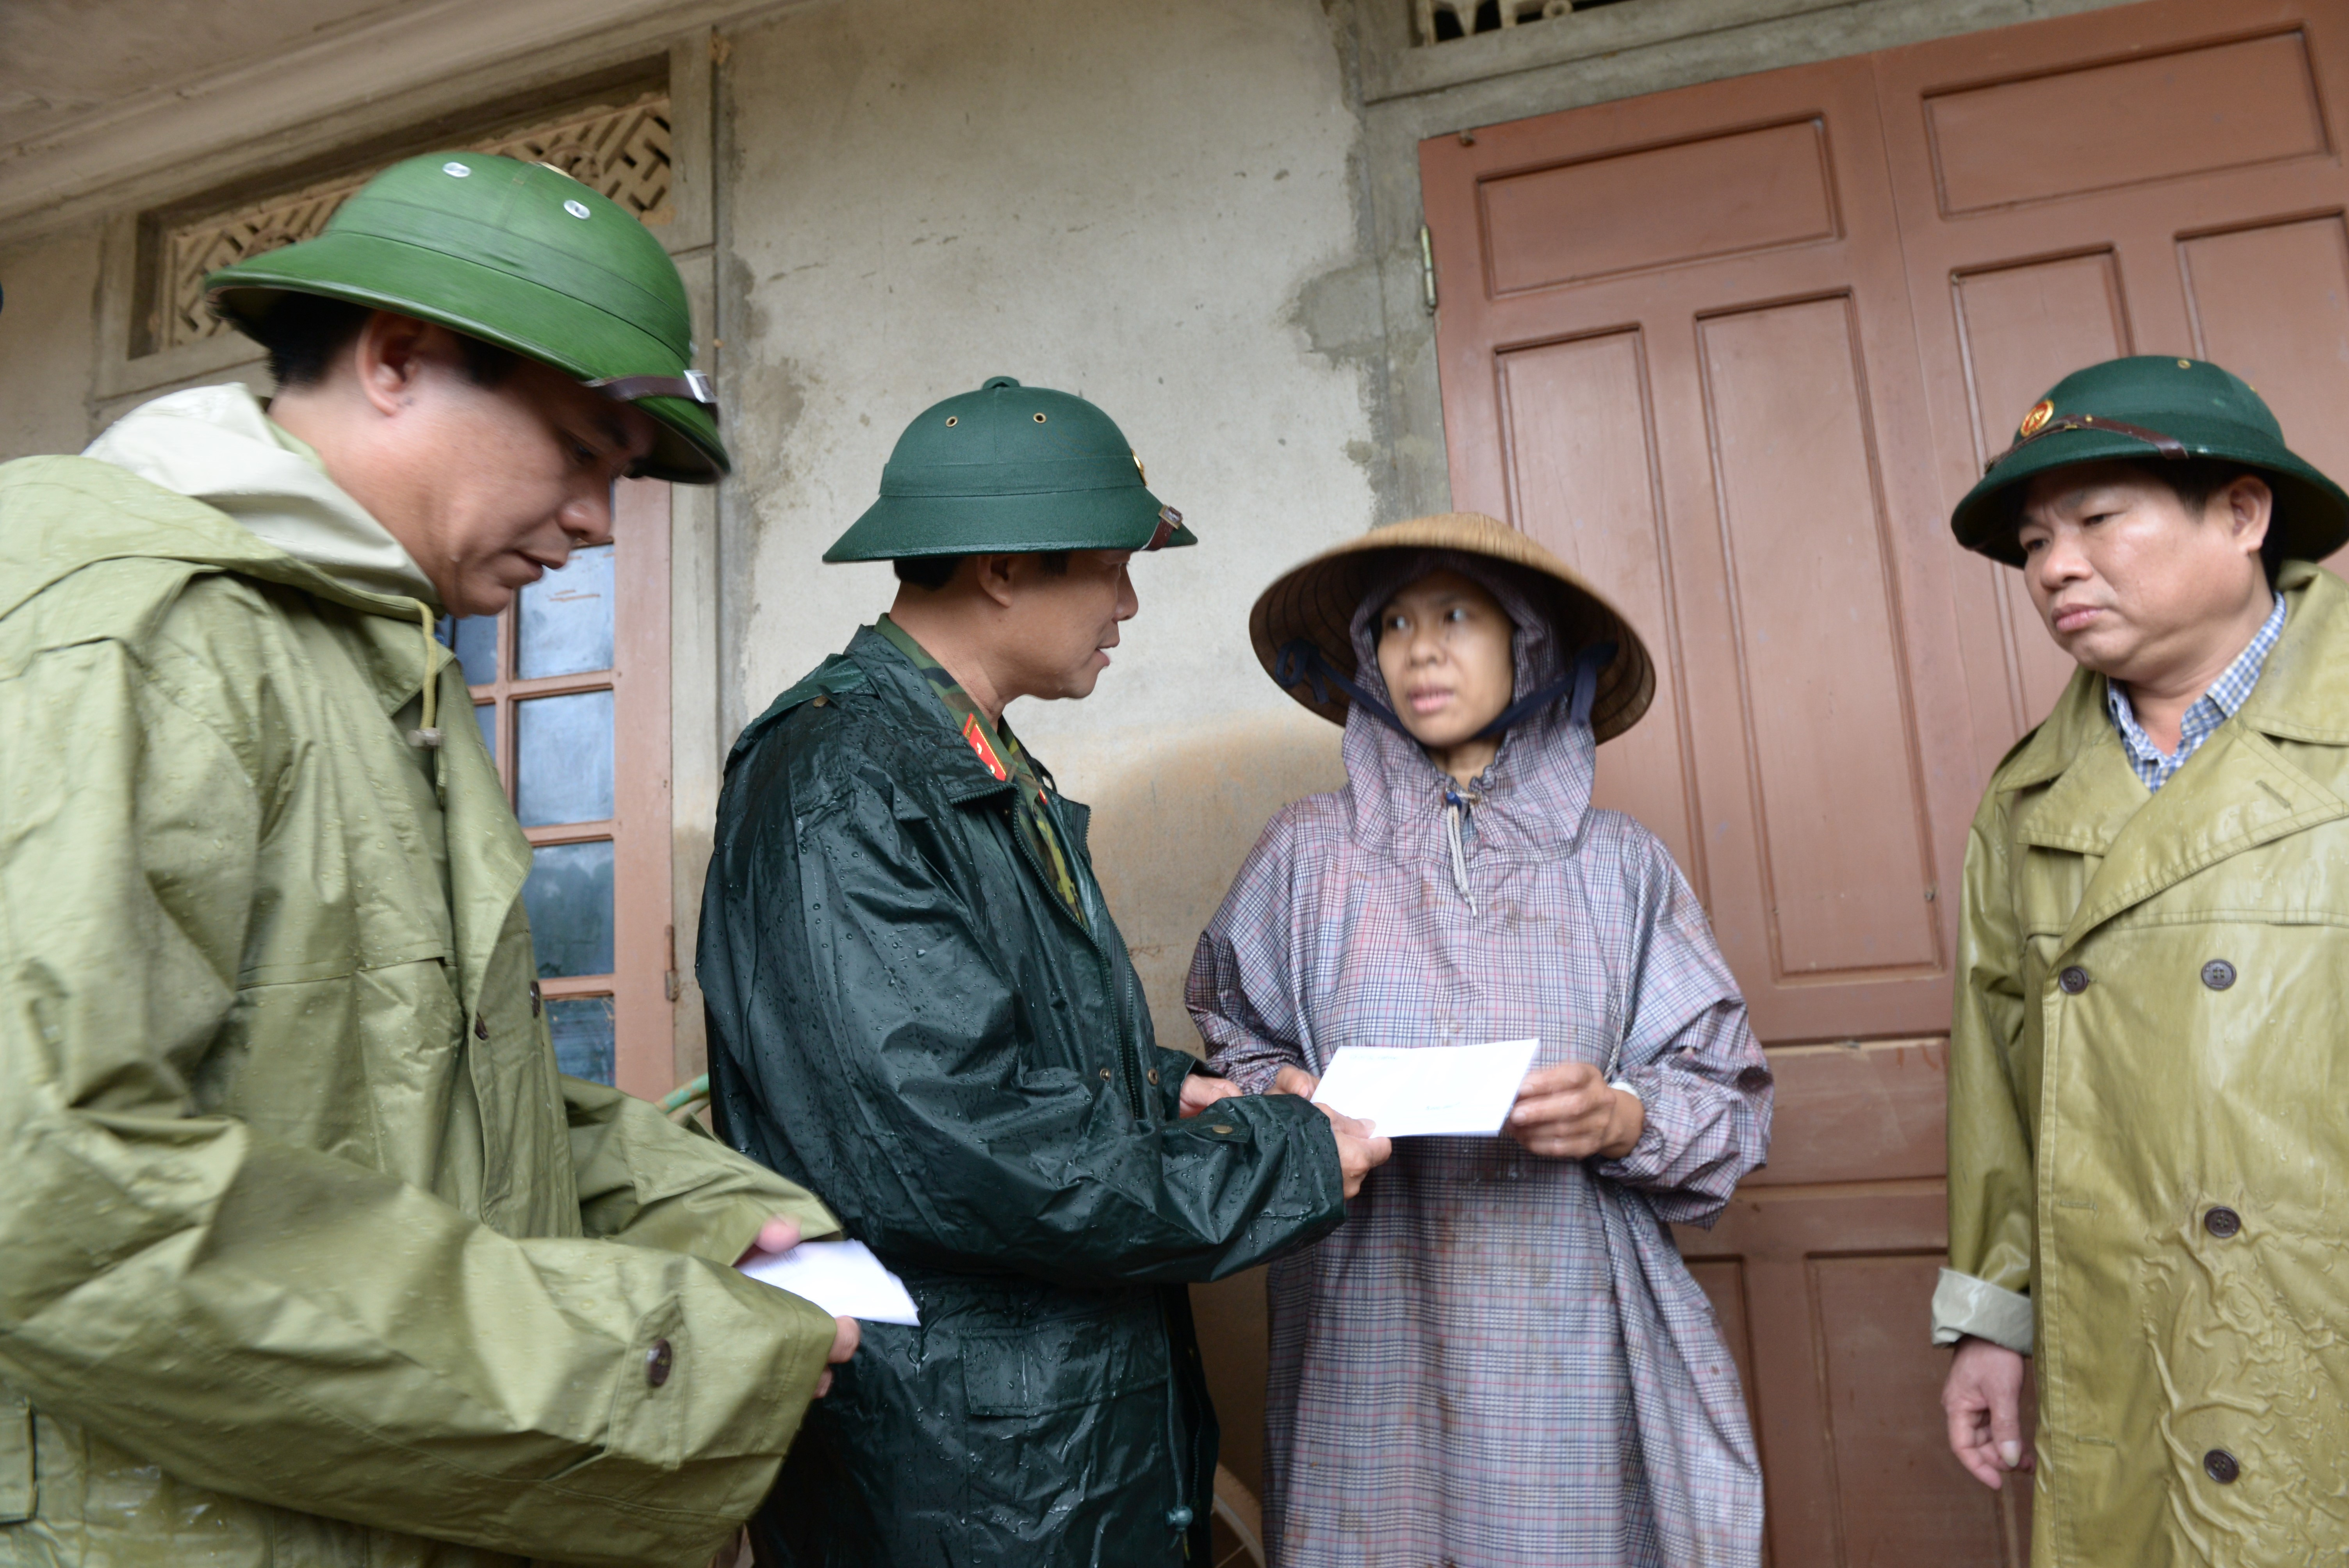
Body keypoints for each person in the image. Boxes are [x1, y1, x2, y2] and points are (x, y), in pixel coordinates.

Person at [0, 153, 858, 1568]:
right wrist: (657, 1364)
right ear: (396, 358)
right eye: (584, 451)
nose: (596, 521)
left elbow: (404, 1087)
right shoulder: (127, 638)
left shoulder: (362, 654)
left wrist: (689, 1206)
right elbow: (58, 1194)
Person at [696, 375, 1392, 1567]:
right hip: (962, 1464)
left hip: (1041, 1436)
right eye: (1111, 566)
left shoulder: (967, 754)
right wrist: (1286, 1157)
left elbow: (969, 1037)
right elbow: (950, 1141)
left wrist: (1163, 1088)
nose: (1127, 601)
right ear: (1004, 567)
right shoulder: (841, 778)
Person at [1186, 512, 1773, 1568]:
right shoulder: (1307, 854)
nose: (1421, 649)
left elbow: (1722, 1093)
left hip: (1565, 1310)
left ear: (1532, 645)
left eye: (1456, 614)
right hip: (1366, 1307)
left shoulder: (1619, 867)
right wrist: (1287, 1094)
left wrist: (1620, 1115)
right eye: (1395, 624)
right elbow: (1233, 1033)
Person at [1936, 356, 2349, 1561]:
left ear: (2240, 514)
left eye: (2098, 520)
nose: (2055, 566)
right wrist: (1991, 1322)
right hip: (2132, 1338)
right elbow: (1996, 1084)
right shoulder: (2028, 799)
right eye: (2032, 544)